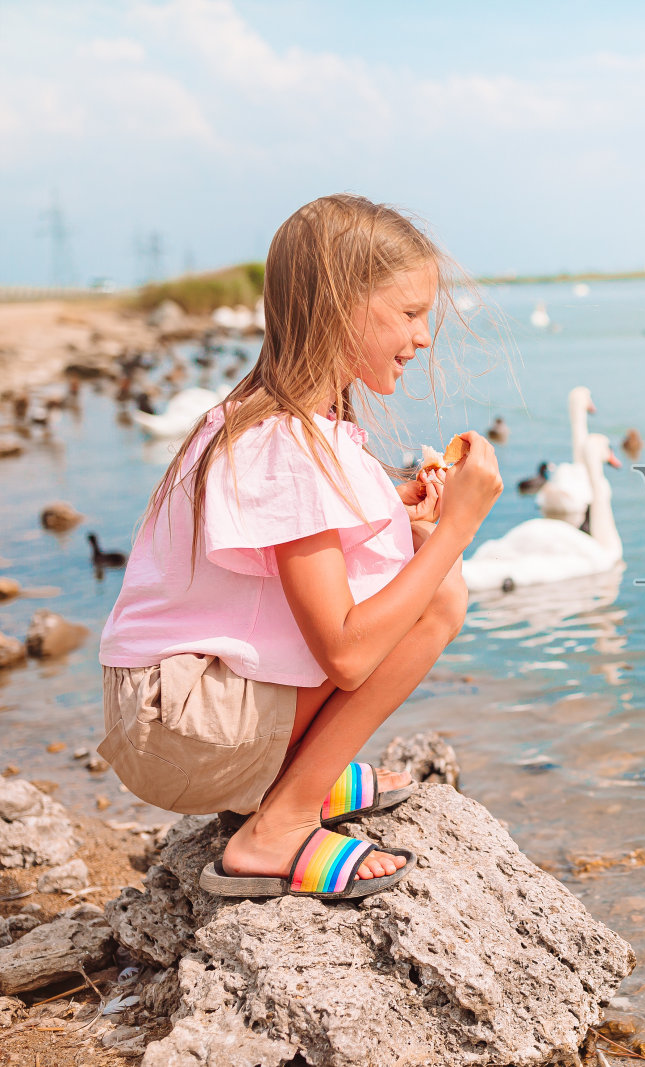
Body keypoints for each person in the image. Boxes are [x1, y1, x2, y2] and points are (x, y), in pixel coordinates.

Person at [99, 194, 502, 900]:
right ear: (339, 304)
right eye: (409, 313)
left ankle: (298, 765)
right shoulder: (289, 444)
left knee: (413, 579)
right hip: (183, 734)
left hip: (169, 711)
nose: (424, 335)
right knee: (439, 594)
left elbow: (278, 577)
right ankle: (280, 821)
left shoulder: (273, 417)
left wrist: (398, 522)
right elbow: (345, 652)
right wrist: (458, 531)